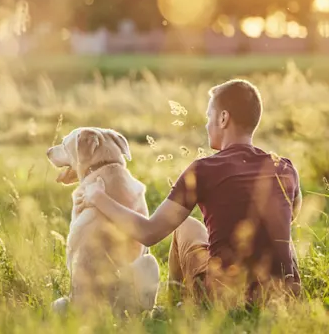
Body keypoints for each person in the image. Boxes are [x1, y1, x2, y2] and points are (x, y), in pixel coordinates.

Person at [77, 79, 302, 307]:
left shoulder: (203, 169)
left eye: (208, 117)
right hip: (285, 295)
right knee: (197, 227)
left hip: (226, 296)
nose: (206, 125)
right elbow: (289, 219)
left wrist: (98, 197)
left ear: (223, 118)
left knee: (182, 227)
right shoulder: (285, 167)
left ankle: (177, 309)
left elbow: (148, 233)